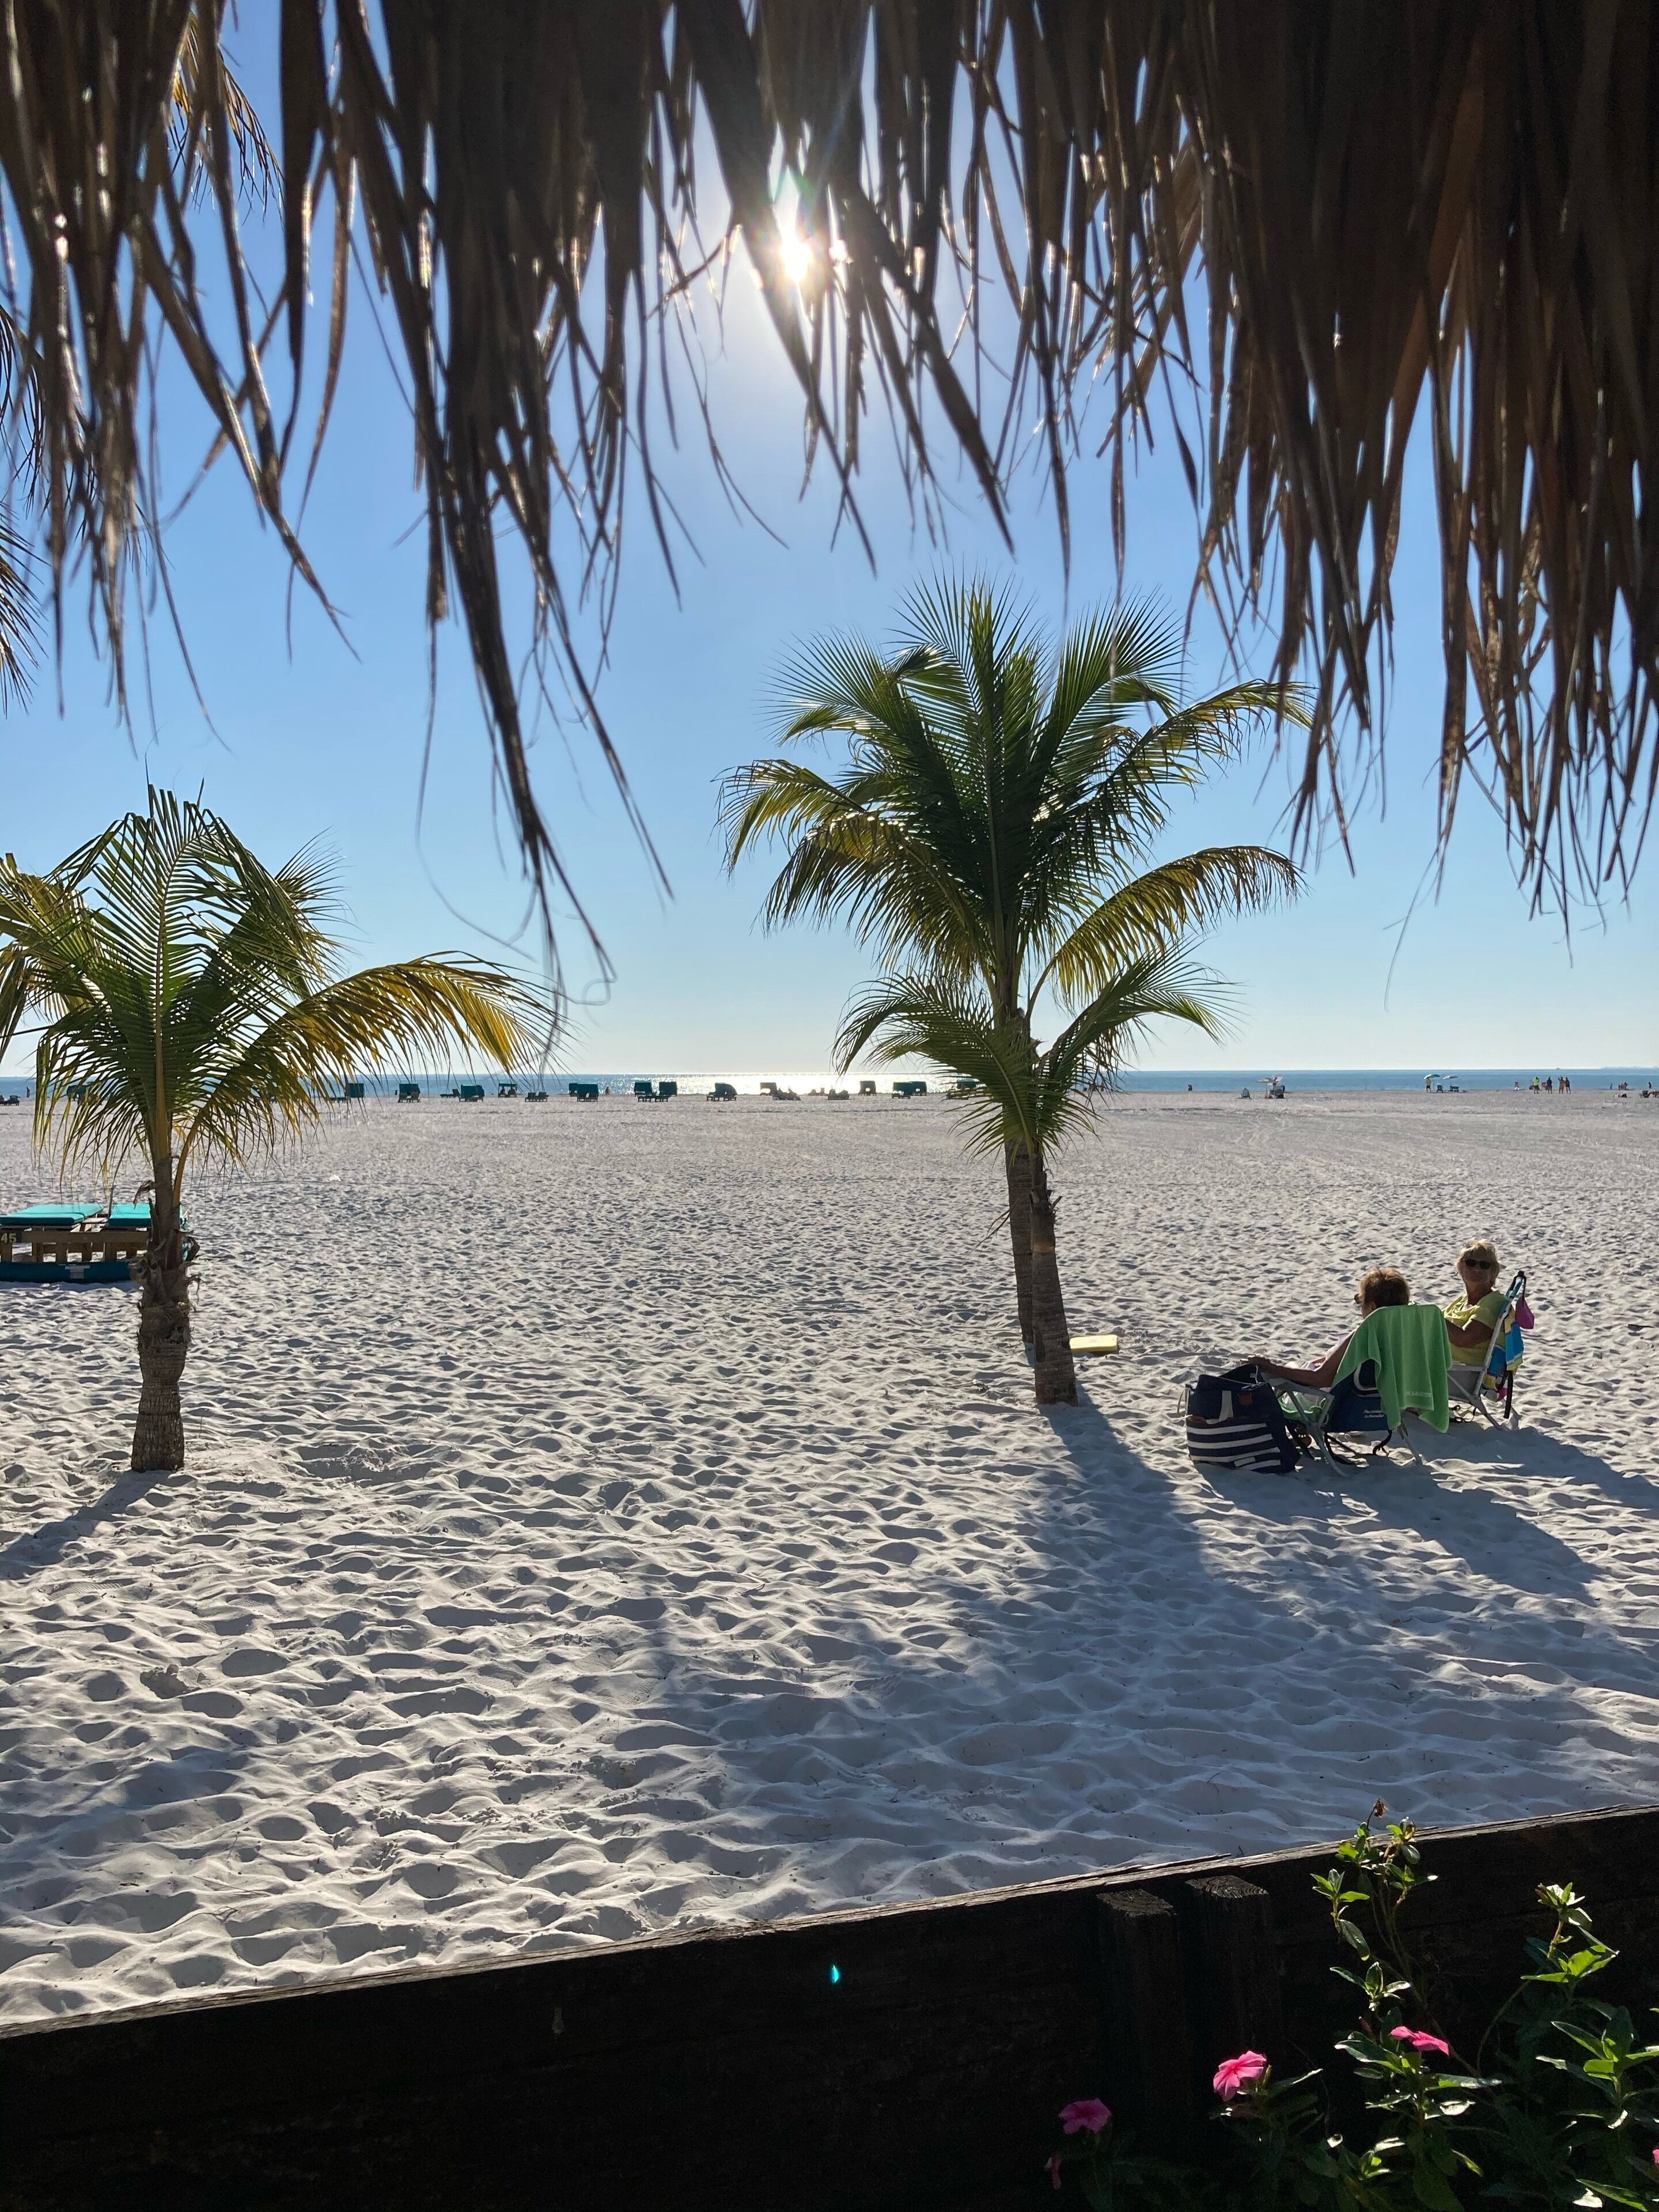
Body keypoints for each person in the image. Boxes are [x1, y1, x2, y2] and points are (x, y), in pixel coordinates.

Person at [1253, 1267, 1410, 1389]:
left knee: (1290, 1366)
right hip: (1382, 1402)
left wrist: (1272, 1367)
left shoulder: (1362, 1337)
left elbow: (1320, 1379)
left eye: (1361, 1301)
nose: (1360, 1306)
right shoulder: (1410, 1336)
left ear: (1372, 1307)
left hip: (1336, 1403)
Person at [1444, 1241, 1505, 1374]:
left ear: (1493, 1272)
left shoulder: (1494, 1302)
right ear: (1461, 1267)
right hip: (1445, 1367)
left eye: (1484, 1265)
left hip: (1462, 1374)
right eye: (1470, 1263)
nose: (1477, 1269)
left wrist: (1433, 1317)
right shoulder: (1461, 1301)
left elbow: (1464, 1339)